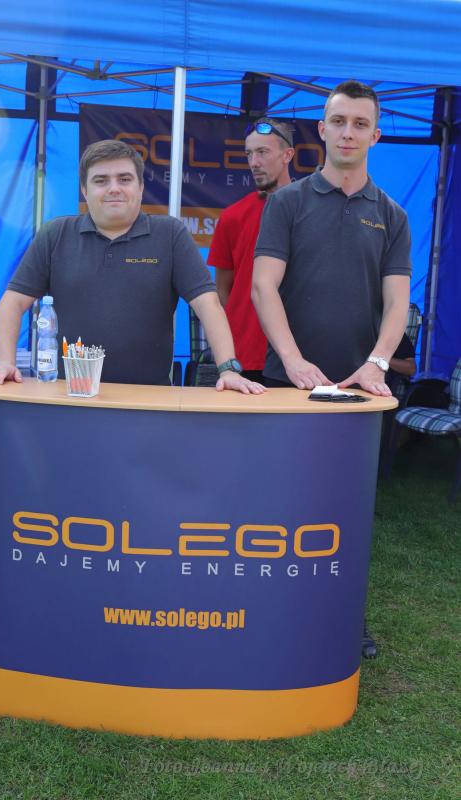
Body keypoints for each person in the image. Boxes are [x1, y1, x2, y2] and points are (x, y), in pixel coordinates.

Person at [252, 80, 412, 658]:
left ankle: (343, 620)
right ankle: (269, 615)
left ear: (375, 135)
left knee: (345, 514)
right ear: (321, 130)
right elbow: (263, 286)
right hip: (286, 383)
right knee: (278, 507)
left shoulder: (392, 215)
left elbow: (398, 303)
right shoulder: (287, 203)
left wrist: (375, 363)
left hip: (358, 392)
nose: (348, 132)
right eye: (338, 121)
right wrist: (294, 361)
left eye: (359, 123)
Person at [0, 140, 265, 396]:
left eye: (124, 179)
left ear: (140, 187)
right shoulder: (55, 234)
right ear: (84, 190)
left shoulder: (170, 234)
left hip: (148, 401)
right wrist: (5, 362)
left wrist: (228, 369)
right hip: (69, 396)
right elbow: (12, 303)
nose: (114, 188)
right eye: (101, 180)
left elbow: (208, 304)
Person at [208, 118, 294, 383]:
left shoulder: (312, 212)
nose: (254, 162)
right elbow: (223, 291)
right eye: (249, 154)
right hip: (244, 356)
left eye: (263, 152)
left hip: (301, 356)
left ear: (287, 155)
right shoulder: (232, 217)